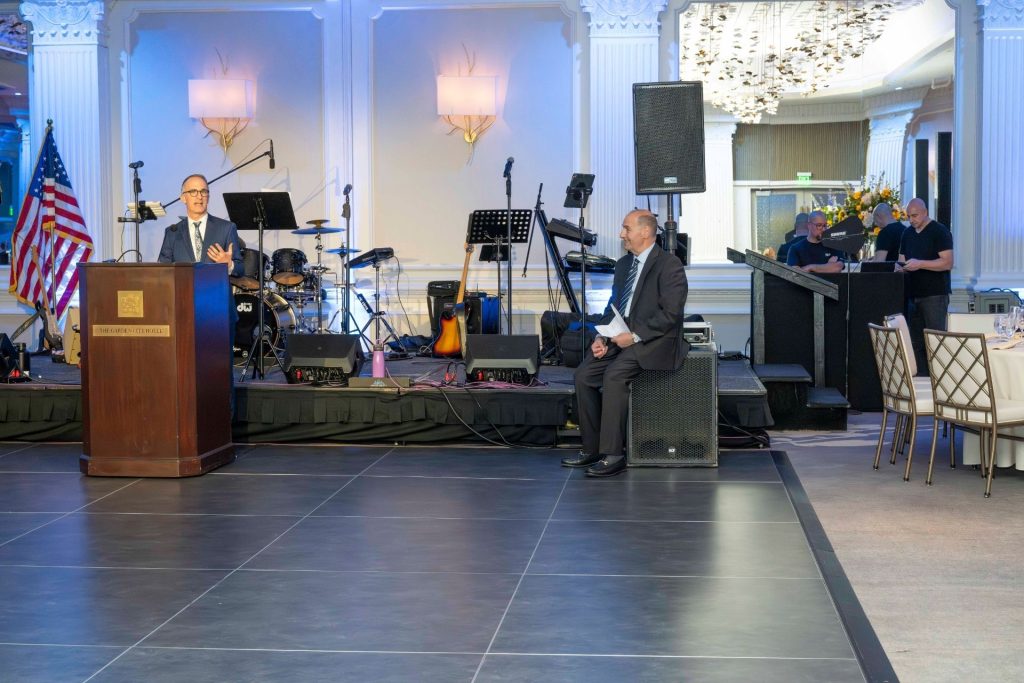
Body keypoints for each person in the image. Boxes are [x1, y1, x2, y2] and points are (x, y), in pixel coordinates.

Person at [562, 210, 688, 477]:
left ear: (645, 231)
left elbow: (671, 314)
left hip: (653, 340)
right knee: (583, 376)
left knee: (614, 375)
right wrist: (601, 336)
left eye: (626, 228)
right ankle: (591, 449)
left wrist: (634, 336)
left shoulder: (670, 265)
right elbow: (613, 308)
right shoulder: (623, 265)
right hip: (621, 337)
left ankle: (614, 454)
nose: (622, 234)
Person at [158, 173, 244, 413]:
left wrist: (229, 263)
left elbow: (241, 268)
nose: (199, 196)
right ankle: (184, 416)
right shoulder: (172, 232)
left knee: (218, 370)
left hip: (218, 312)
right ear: (183, 197)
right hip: (182, 312)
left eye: (204, 191)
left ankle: (223, 421)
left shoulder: (226, 228)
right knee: (183, 369)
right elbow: (163, 269)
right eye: (193, 192)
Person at [898, 198, 953, 373]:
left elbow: (947, 263)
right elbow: (902, 260)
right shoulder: (907, 233)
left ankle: (938, 379)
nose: (911, 220)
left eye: (914, 215)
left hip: (934, 295)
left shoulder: (939, 231)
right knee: (916, 343)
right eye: (908, 216)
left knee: (935, 341)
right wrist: (900, 267)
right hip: (913, 295)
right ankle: (921, 379)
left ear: (925, 212)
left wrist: (920, 264)